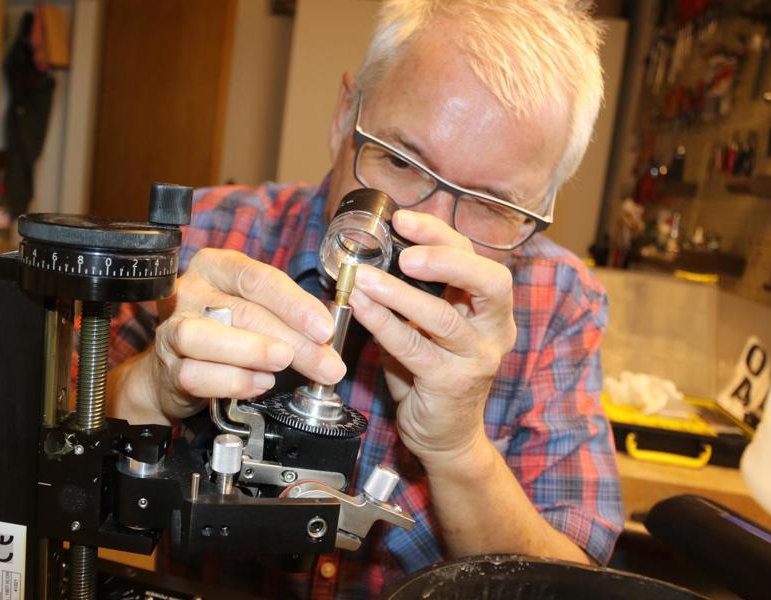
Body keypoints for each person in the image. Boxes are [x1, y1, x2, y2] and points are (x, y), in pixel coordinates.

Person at [106, 0, 623, 596]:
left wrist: (457, 452)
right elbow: (43, 442)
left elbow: (574, 584)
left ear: (544, 207)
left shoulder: (559, 302)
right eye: (402, 161)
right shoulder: (209, 236)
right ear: (345, 115)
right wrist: (154, 386)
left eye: (491, 204)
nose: (422, 232)